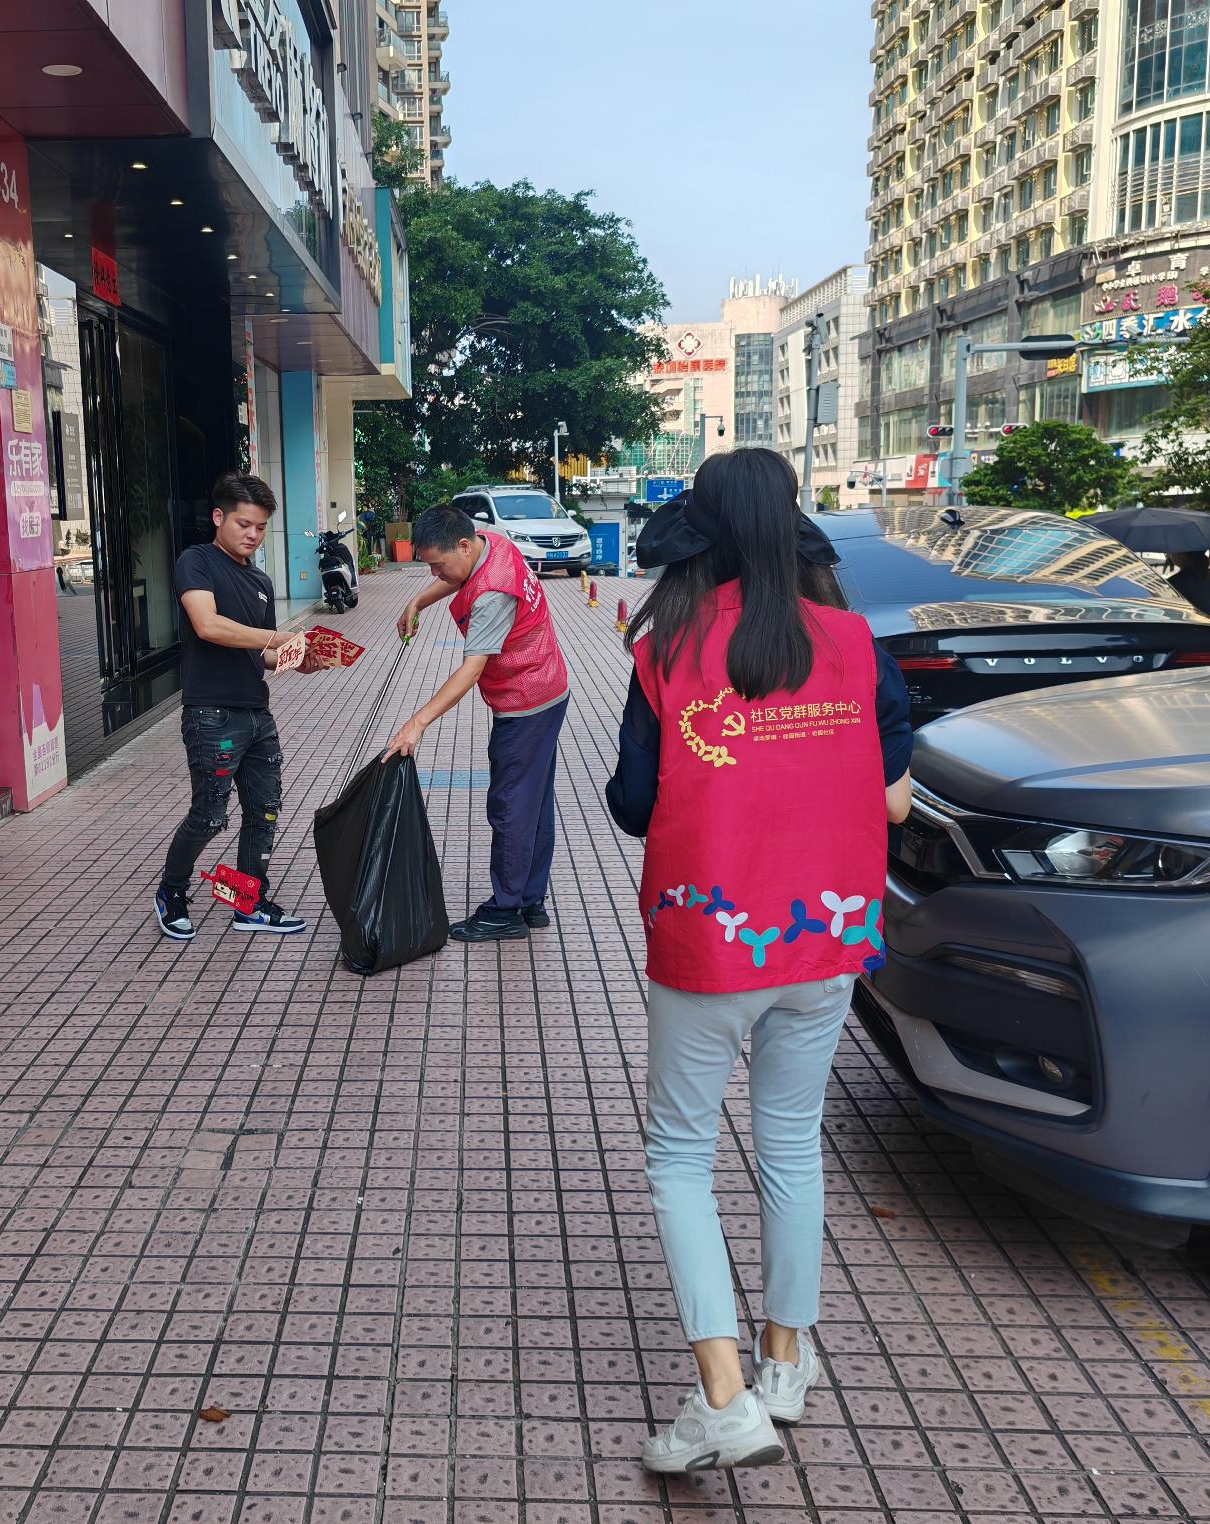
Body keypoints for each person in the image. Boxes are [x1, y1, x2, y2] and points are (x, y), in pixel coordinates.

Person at [605, 450, 914, 1474]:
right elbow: (894, 800)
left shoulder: (667, 645)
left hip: (707, 938)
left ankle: (723, 1400)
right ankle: (785, 1364)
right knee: (789, 1145)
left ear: (700, 531)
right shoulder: (853, 641)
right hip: (825, 938)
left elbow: (633, 805)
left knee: (678, 1157)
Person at [383, 502, 570, 942]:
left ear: (464, 546)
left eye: (438, 565)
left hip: (526, 702)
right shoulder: (493, 542)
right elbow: (456, 577)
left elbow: (470, 670)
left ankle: (505, 910)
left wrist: (417, 722)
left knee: (511, 806)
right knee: (534, 801)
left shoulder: (491, 595)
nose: (435, 574)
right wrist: (417, 601)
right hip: (549, 687)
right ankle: (530, 900)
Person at [153, 473, 322, 942]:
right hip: (210, 713)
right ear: (218, 517)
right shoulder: (197, 561)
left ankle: (246, 903)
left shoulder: (261, 581)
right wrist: (277, 637)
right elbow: (207, 626)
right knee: (210, 814)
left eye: (261, 527)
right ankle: (171, 892)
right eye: (244, 524)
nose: (252, 534)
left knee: (263, 811)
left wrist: (298, 659)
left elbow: (262, 654)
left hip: (255, 712)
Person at [1168, 549, 1210, 625]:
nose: (1170, 554)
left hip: (1192, 630)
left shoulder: (1176, 582)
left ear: (1182, 554)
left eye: (1173, 550)